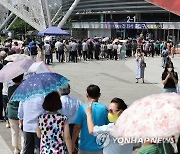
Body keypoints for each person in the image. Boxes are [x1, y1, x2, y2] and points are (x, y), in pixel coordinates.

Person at [72, 84, 109, 154]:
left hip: (85, 147)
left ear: (86, 94)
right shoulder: (104, 109)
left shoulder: (82, 108)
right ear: (99, 95)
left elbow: (77, 127)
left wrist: (72, 142)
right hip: (100, 147)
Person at [8, 74, 24, 154]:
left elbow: (9, 98)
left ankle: (16, 149)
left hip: (11, 113)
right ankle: (23, 149)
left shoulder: (10, 88)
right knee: (22, 132)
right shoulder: (24, 88)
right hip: (21, 113)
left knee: (14, 132)